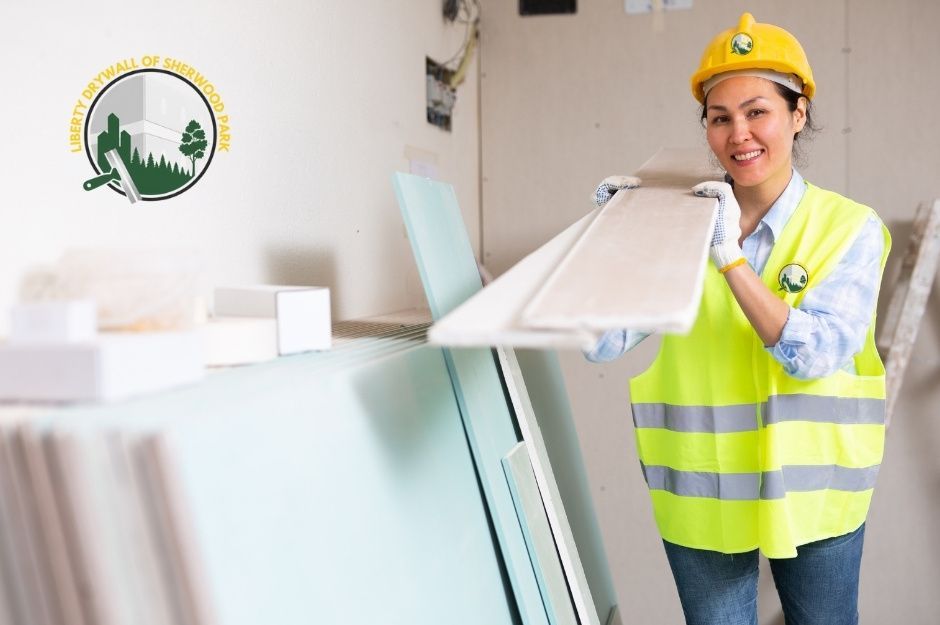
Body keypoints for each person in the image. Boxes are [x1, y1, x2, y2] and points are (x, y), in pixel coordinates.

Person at [586, 12, 891, 625]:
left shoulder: (850, 228)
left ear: (797, 114)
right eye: (719, 117)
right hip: (706, 498)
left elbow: (818, 353)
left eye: (758, 112)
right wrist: (612, 241)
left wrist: (730, 260)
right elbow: (602, 341)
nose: (738, 134)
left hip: (816, 501)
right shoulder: (676, 224)